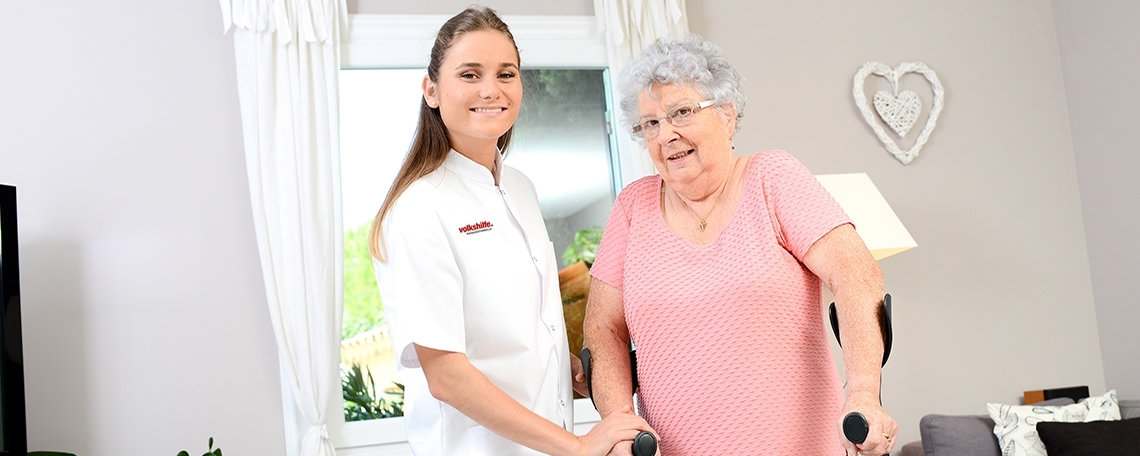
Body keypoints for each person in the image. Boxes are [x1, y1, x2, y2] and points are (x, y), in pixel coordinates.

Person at [582, 33, 898, 455]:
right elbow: (602, 328)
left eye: (681, 112)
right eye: (651, 123)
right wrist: (619, 423)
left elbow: (856, 274)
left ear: (727, 114)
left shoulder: (773, 178)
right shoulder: (632, 207)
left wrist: (862, 391)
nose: (665, 135)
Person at [368, 6, 653, 456]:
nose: (491, 89)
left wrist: (568, 370)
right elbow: (445, 376)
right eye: (469, 74)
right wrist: (578, 446)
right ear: (431, 91)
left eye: (506, 74)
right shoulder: (418, 209)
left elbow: (517, 335)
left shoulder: (520, 188)